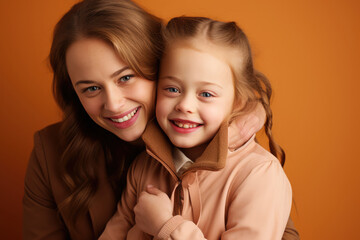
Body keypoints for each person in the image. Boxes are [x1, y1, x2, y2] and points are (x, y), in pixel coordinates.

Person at [23, 0, 299, 239]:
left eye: (126, 77)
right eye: (91, 88)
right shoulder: (53, 153)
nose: (114, 104)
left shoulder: (245, 165)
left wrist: (243, 113)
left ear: (158, 65)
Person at [99, 16, 293, 240]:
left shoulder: (258, 174)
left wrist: (166, 226)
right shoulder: (144, 165)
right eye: (172, 89)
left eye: (206, 94)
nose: (184, 105)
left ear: (238, 101)